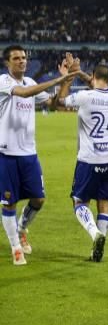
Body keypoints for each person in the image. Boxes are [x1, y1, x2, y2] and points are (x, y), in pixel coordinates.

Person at [0, 45, 78, 265]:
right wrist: (55, 80)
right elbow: (24, 94)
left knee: (39, 199)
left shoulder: (31, 83)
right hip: (6, 153)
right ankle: (16, 248)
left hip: (29, 153)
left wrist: (65, 80)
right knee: (8, 203)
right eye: (16, 58)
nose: (22, 61)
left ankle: (22, 228)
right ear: (8, 63)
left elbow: (54, 104)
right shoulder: (4, 82)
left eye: (24, 58)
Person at [54, 55, 108, 262]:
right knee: (105, 202)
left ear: (93, 76)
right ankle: (97, 253)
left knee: (79, 201)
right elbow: (97, 87)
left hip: (89, 159)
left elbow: (60, 103)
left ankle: (95, 234)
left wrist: (68, 78)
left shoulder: (85, 97)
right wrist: (80, 72)